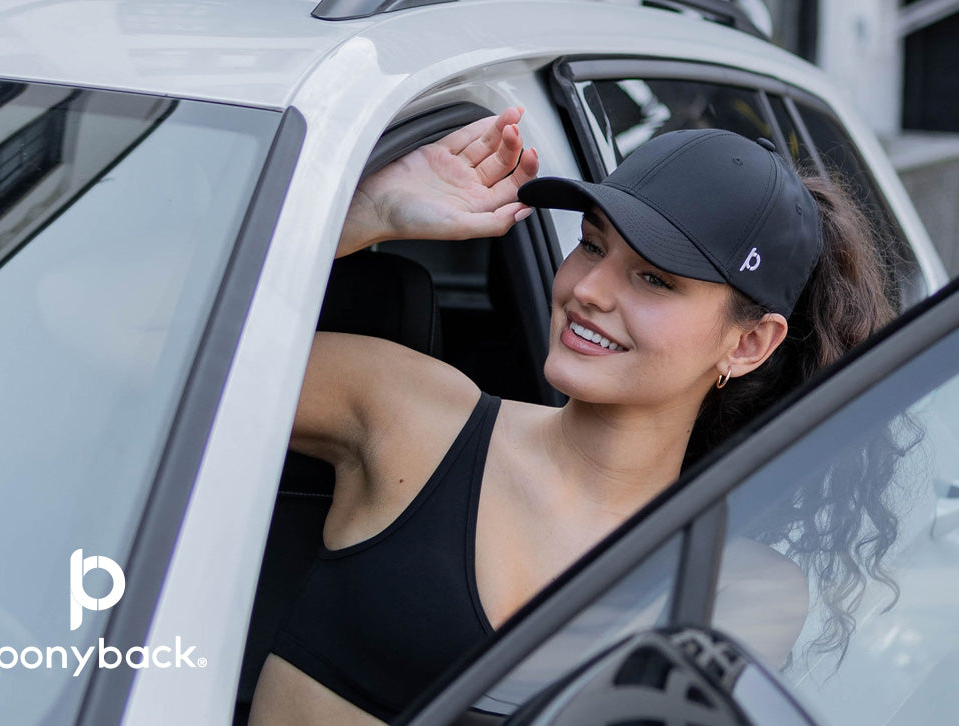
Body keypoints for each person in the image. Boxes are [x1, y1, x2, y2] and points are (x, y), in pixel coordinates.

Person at [250, 107, 900, 726]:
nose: (587, 290)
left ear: (749, 343)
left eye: (654, 279)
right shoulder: (411, 413)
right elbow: (160, 352)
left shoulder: (738, 588)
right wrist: (362, 217)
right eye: (592, 246)